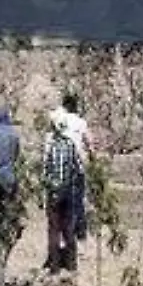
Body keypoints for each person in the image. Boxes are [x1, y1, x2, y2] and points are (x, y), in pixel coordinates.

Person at [42, 108, 82, 275]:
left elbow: (45, 170)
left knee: (53, 229)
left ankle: (54, 265)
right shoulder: (70, 145)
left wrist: (47, 188)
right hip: (68, 191)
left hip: (53, 192)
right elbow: (77, 168)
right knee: (68, 228)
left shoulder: (50, 146)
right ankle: (72, 264)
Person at [59, 94, 94, 245]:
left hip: (59, 167)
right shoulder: (81, 122)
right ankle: (79, 232)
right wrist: (93, 158)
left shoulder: (58, 122)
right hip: (76, 166)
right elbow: (90, 142)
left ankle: (64, 231)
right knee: (77, 200)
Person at [0, 105, 22, 255]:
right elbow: (16, 154)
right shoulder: (13, 134)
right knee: (11, 204)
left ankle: (0, 233)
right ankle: (9, 231)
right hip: (10, 175)